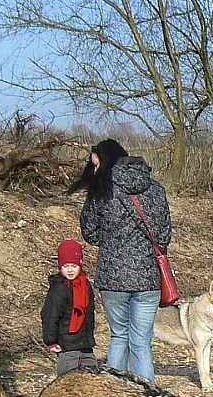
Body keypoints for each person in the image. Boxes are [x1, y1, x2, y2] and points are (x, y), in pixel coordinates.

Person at [71, 139, 172, 383]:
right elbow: (165, 234)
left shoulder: (102, 188)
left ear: (104, 162)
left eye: (96, 165)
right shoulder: (155, 188)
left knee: (119, 336)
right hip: (148, 278)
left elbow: (90, 232)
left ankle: (111, 395)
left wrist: (112, 241)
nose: (94, 170)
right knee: (141, 342)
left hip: (113, 277)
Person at [40, 239, 98, 375]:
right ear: (60, 267)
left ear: (81, 265)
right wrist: (51, 341)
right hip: (67, 348)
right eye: (66, 266)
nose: (70, 270)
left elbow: (89, 314)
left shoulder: (85, 285)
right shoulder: (59, 289)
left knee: (91, 383)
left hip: (86, 345)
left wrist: (89, 338)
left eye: (74, 266)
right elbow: (50, 316)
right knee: (68, 385)